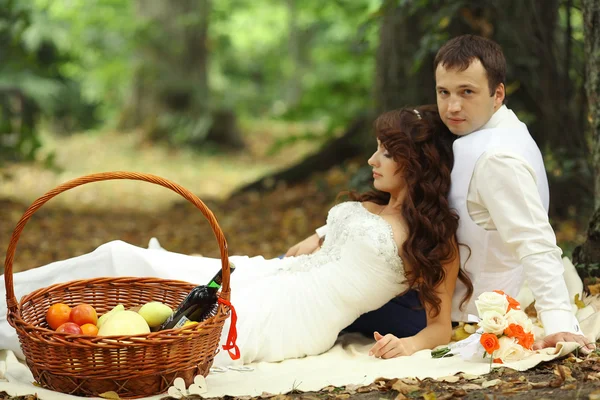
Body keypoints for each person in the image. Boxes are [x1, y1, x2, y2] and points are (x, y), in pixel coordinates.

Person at [0, 106, 472, 365]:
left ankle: (17, 332)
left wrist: (406, 345)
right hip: (268, 274)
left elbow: (438, 326)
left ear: (415, 162)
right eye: (375, 148)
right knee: (120, 255)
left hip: (294, 315)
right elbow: (340, 238)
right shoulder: (371, 204)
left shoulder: (433, 241)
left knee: (155, 335)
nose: (372, 160)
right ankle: (10, 301)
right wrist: (318, 237)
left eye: (385, 152)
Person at [298, 34, 594, 355]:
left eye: (467, 92)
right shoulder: (479, 126)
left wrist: (560, 322)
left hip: (445, 311)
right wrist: (328, 232)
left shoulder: (498, 160)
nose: (452, 107)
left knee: (316, 287)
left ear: (498, 94)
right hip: (425, 282)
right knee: (304, 271)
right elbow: (412, 189)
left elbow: (534, 241)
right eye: (444, 92)